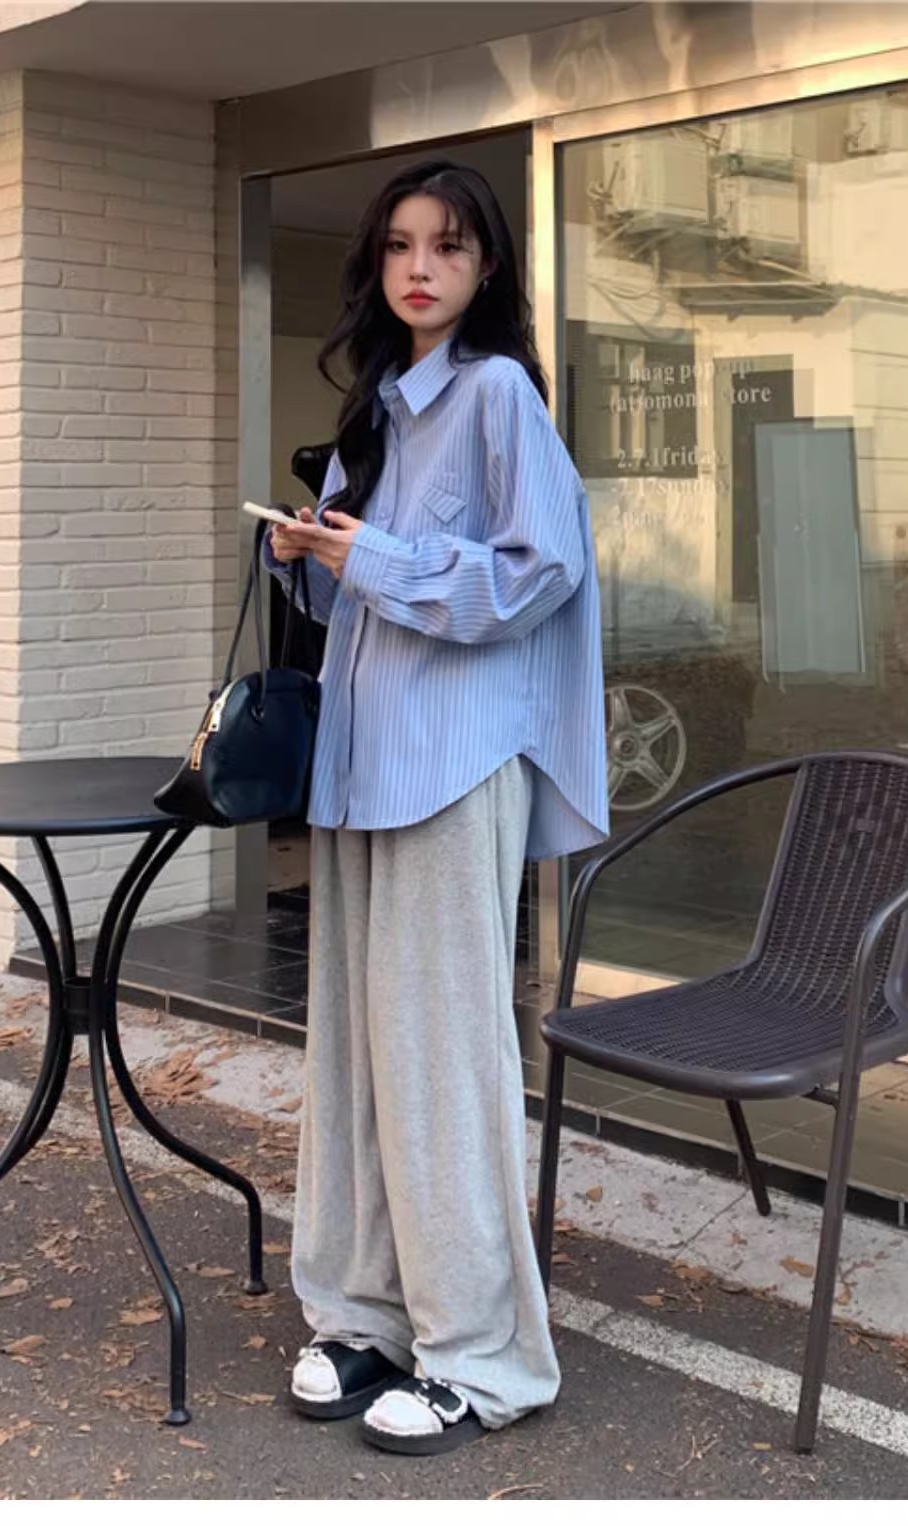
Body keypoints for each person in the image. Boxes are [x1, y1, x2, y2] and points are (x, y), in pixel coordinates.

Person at [264, 160, 609, 1456]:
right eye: (401, 245)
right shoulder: (384, 408)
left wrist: (382, 556)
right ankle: (364, 1315)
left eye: (449, 246)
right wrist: (310, 554)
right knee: (358, 1054)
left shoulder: (498, 392)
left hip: (455, 769)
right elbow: (366, 597)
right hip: (361, 769)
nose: (421, 267)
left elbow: (541, 570)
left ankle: (481, 1354)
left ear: (486, 266)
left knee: (444, 1059)